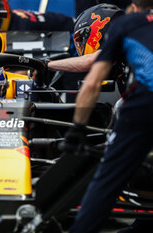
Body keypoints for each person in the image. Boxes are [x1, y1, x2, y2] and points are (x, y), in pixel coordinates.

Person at [62, 0, 153, 232]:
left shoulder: (127, 27)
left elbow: (91, 67)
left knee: (108, 177)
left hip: (145, 106)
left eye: (83, 38)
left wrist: (46, 64)